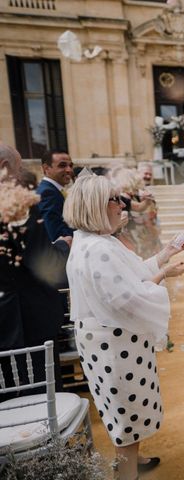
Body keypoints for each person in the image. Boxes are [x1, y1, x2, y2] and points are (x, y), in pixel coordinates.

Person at [63, 174, 184, 480]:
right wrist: (164, 278)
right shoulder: (98, 248)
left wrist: (165, 255)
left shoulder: (95, 240)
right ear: (95, 205)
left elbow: (132, 272)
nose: (122, 205)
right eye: (114, 199)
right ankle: (127, 474)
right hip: (115, 346)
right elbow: (128, 298)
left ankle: (133, 459)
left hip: (111, 342)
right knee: (126, 414)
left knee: (122, 411)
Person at [0, 145, 70, 399]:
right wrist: (63, 246)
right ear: (4, 168)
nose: (22, 176)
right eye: (19, 169)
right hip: (26, 322)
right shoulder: (18, 205)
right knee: (42, 400)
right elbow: (46, 265)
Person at [36, 149, 74, 242]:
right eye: (62, 165)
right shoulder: (48, 193)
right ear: (46, 168)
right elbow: (56, 233)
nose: (69, 170)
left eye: (70, 165)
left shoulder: (54, 189)